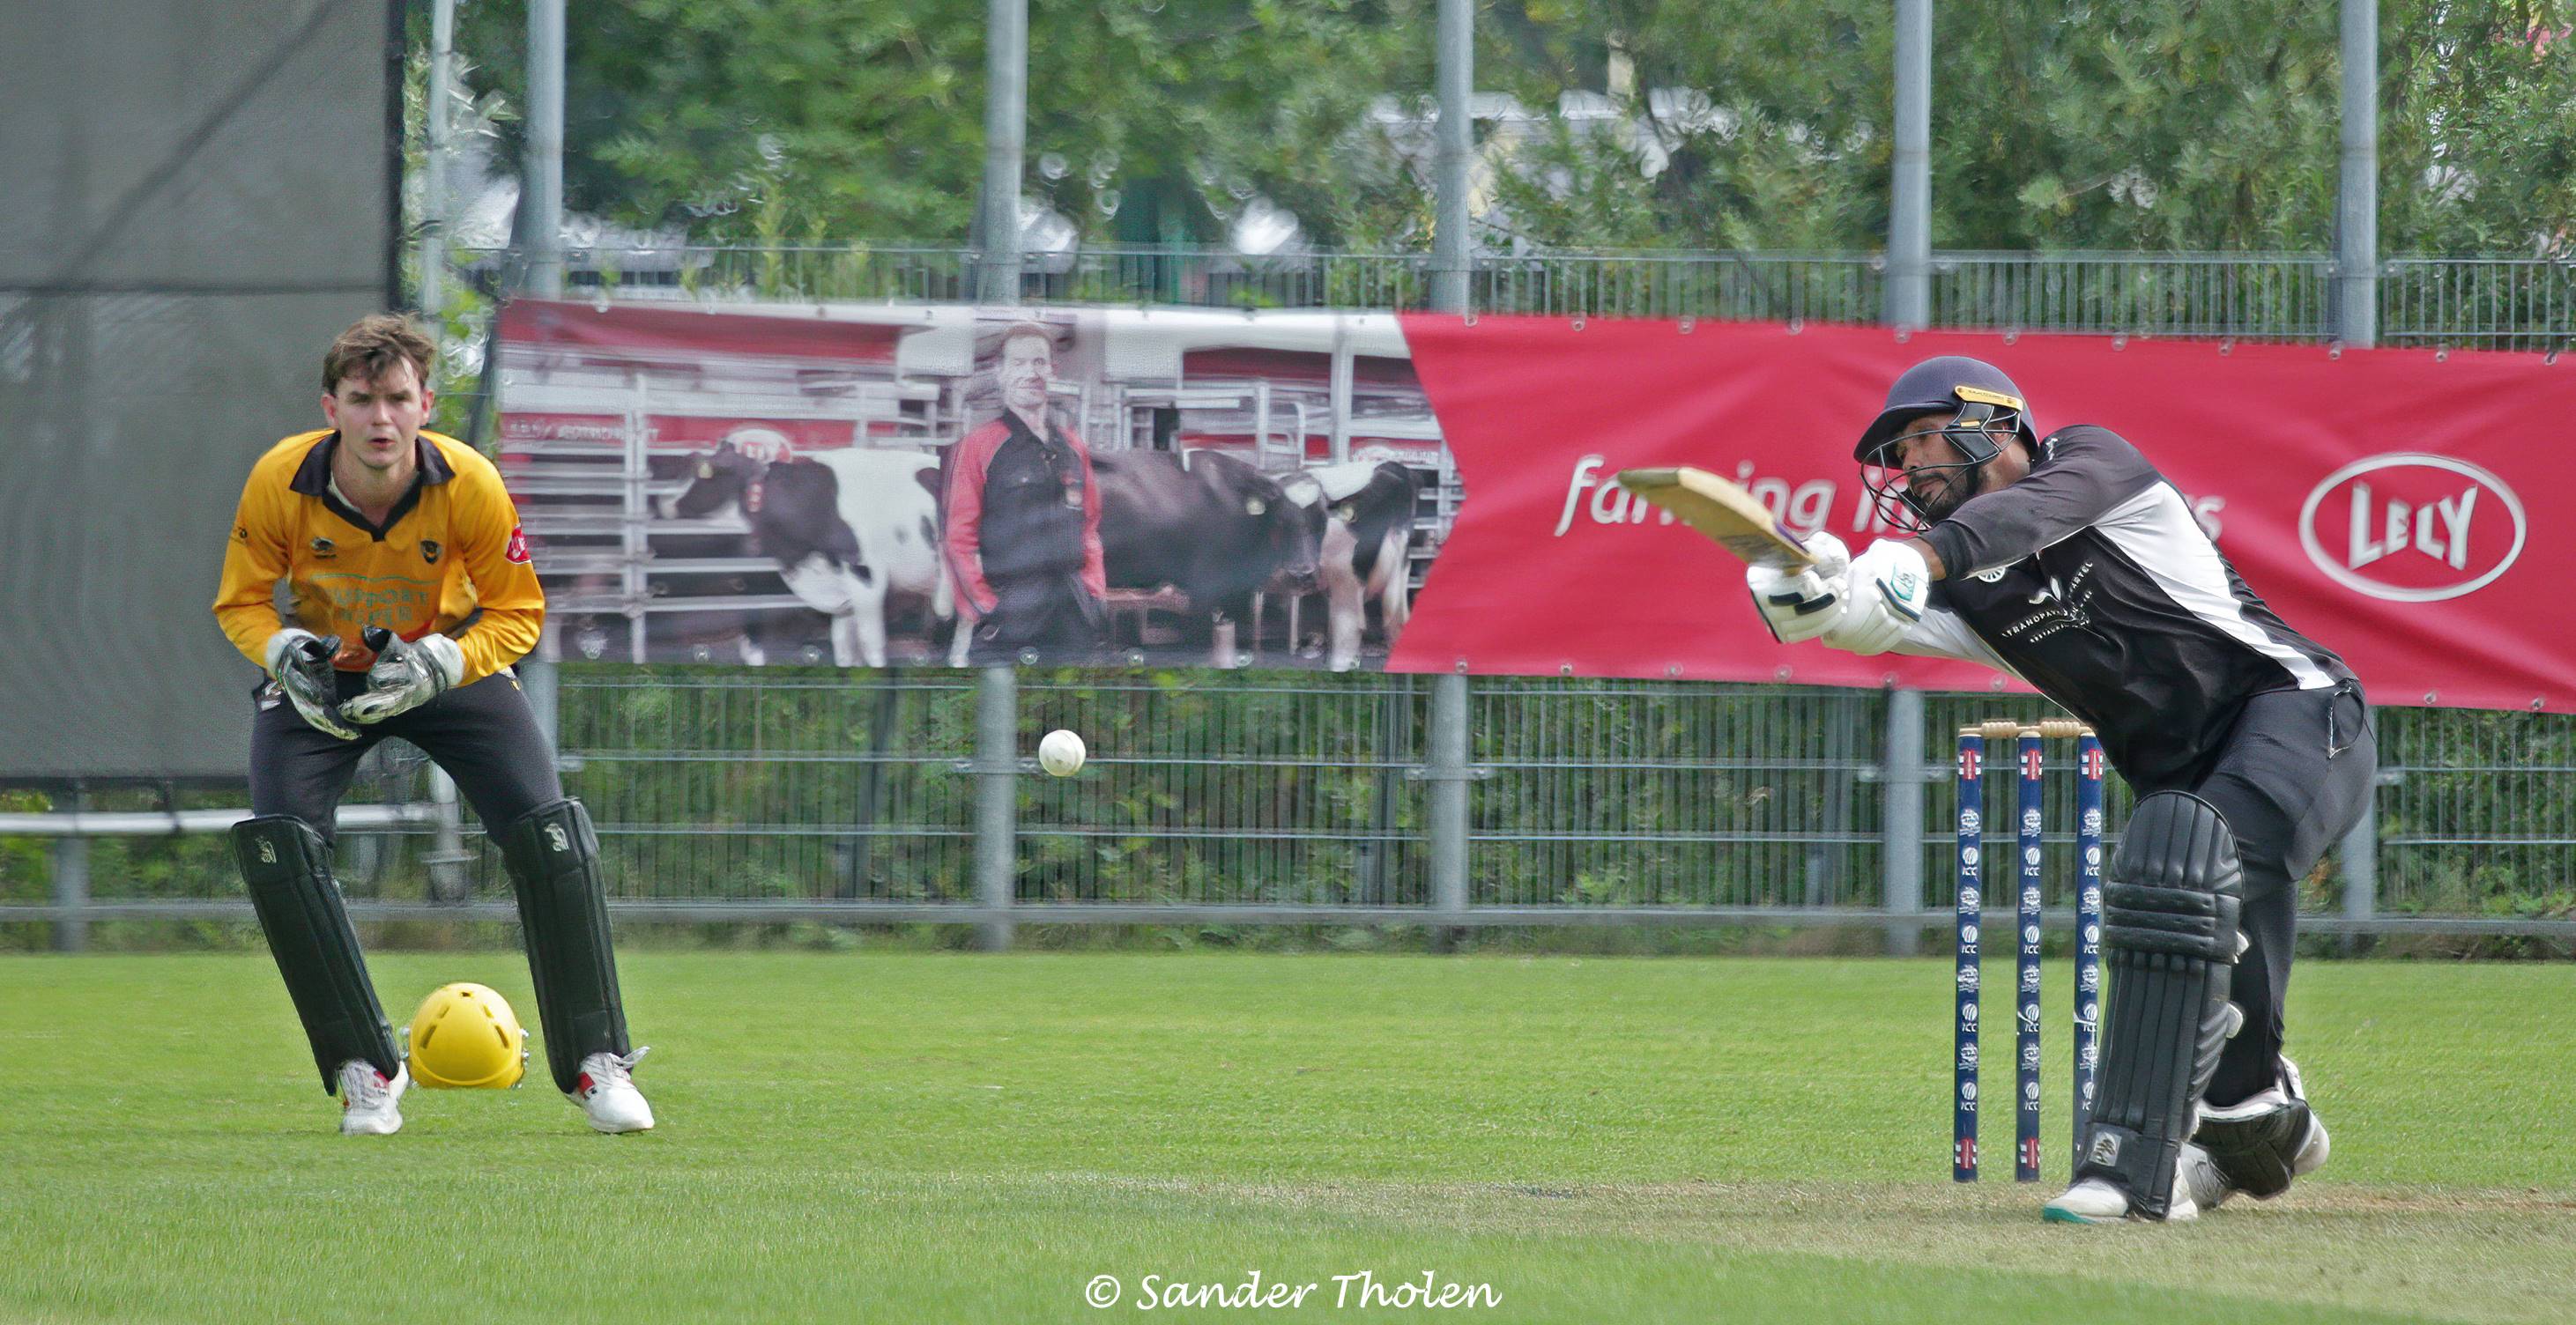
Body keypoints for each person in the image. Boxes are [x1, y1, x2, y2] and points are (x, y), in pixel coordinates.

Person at [1750, 356, 2372, 1222]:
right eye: (1897, 453)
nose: (1907, 465)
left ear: (1991, 424)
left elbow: (2014, 521)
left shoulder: (2092, 463)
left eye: (1922, 437)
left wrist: (1911, 557)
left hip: (2296, 712)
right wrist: (1814, 593)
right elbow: (1872, 614)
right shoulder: (1969, 590)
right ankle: (2256, 1120)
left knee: (2182, 875)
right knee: (2197, 925)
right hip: (2182, 789)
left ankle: (2131, 1166)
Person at [212, 315, 652, 1136]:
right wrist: (281, 652)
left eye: (397, 399)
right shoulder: (280, 478)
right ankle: (366, 1073)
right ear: (331, 408)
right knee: (280, 851)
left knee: (552, 836)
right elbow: (240, 601)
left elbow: (517, 613)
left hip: (446, 667)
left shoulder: (470, 482)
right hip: (323, 680)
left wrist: (444, 662)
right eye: (361, 400)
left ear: (425, 405)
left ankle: (597, 1064)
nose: (380, 419)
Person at [942, 322, 1109, 662]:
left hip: (1073, 614)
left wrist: (1094, 592)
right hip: (1011, 617)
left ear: (1052, 371)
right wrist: (987, 607)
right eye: (1018, 363)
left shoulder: (1073, 447)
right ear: (1000, 372)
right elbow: (958, 539)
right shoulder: (979, 447)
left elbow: (1089, 527)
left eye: (1039, 362)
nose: (1030, 373)